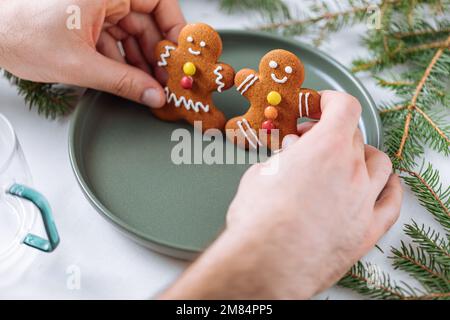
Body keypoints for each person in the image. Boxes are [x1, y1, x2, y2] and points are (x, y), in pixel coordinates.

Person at [0, 0, 403, 299]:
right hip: (202, 113)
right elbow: (201, 65)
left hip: (250, 125)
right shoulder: (175, 57)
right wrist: (269, 261)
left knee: (238, 127)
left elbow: (236, 78)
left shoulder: (237, 76)